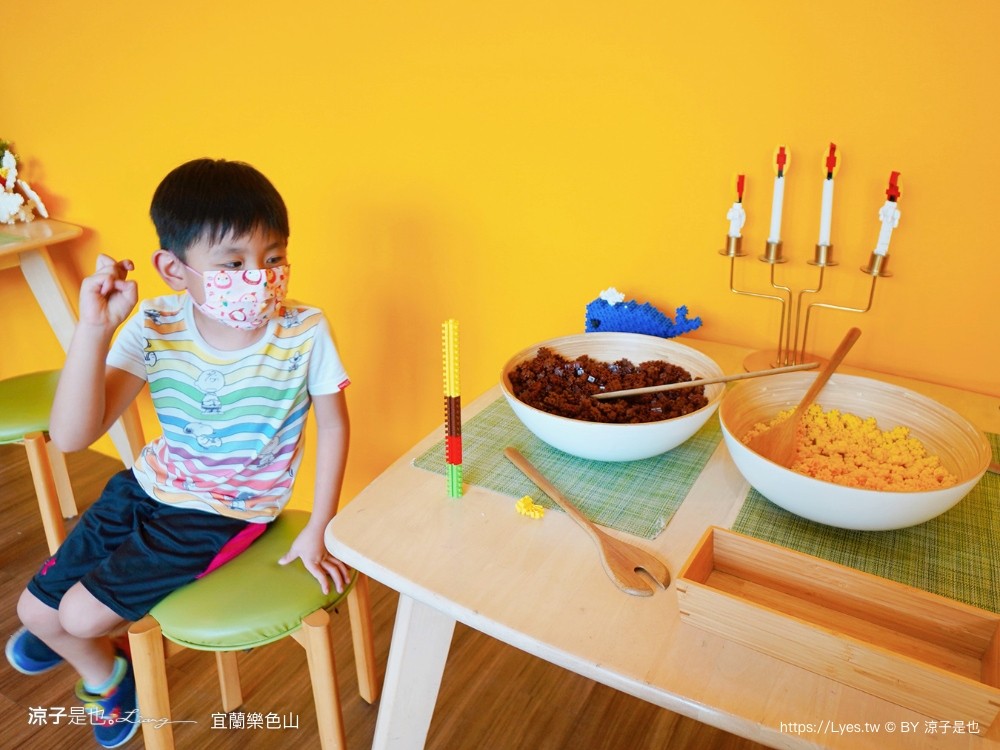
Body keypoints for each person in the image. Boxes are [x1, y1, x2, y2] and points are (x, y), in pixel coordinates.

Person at [4, 158, 352, 748]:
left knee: (77, 617)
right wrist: (93, 330)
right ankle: (106, 671)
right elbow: (72, 436)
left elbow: (335, 423)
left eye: (273, 258)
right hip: (146, 485)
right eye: (233, 264)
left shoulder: (305, 330)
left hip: (223, 512)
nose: (259, 277)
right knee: (34, 613)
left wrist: (321, 525)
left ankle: (99, 661)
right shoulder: (155, 322)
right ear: (173, 269)